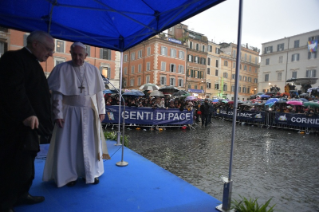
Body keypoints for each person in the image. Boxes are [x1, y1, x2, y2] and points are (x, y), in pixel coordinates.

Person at [42, 42, 110, 188]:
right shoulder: (61, 69)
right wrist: (58, 114)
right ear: (70, 53)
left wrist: (102, 111)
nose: (78, 58)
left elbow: (99, 93)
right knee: (69, 145)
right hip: (68, 113)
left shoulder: (93, 70)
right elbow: (57, 95)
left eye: (80, 55)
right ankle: (68, 175)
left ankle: (91, 173)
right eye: (75, 54)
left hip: (89, 112)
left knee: (90, 145)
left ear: (86, 55)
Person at [0, 31, 55, 212]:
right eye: (48, 49)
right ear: (35, 45)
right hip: (16, 126)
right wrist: (27, 114)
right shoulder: (13, 58)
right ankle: (5, 203)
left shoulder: (33, 62)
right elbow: (12, 89)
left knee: (26, 164)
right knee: (12, 166)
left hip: (31, 126)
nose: (51, 54)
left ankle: (22, 194)